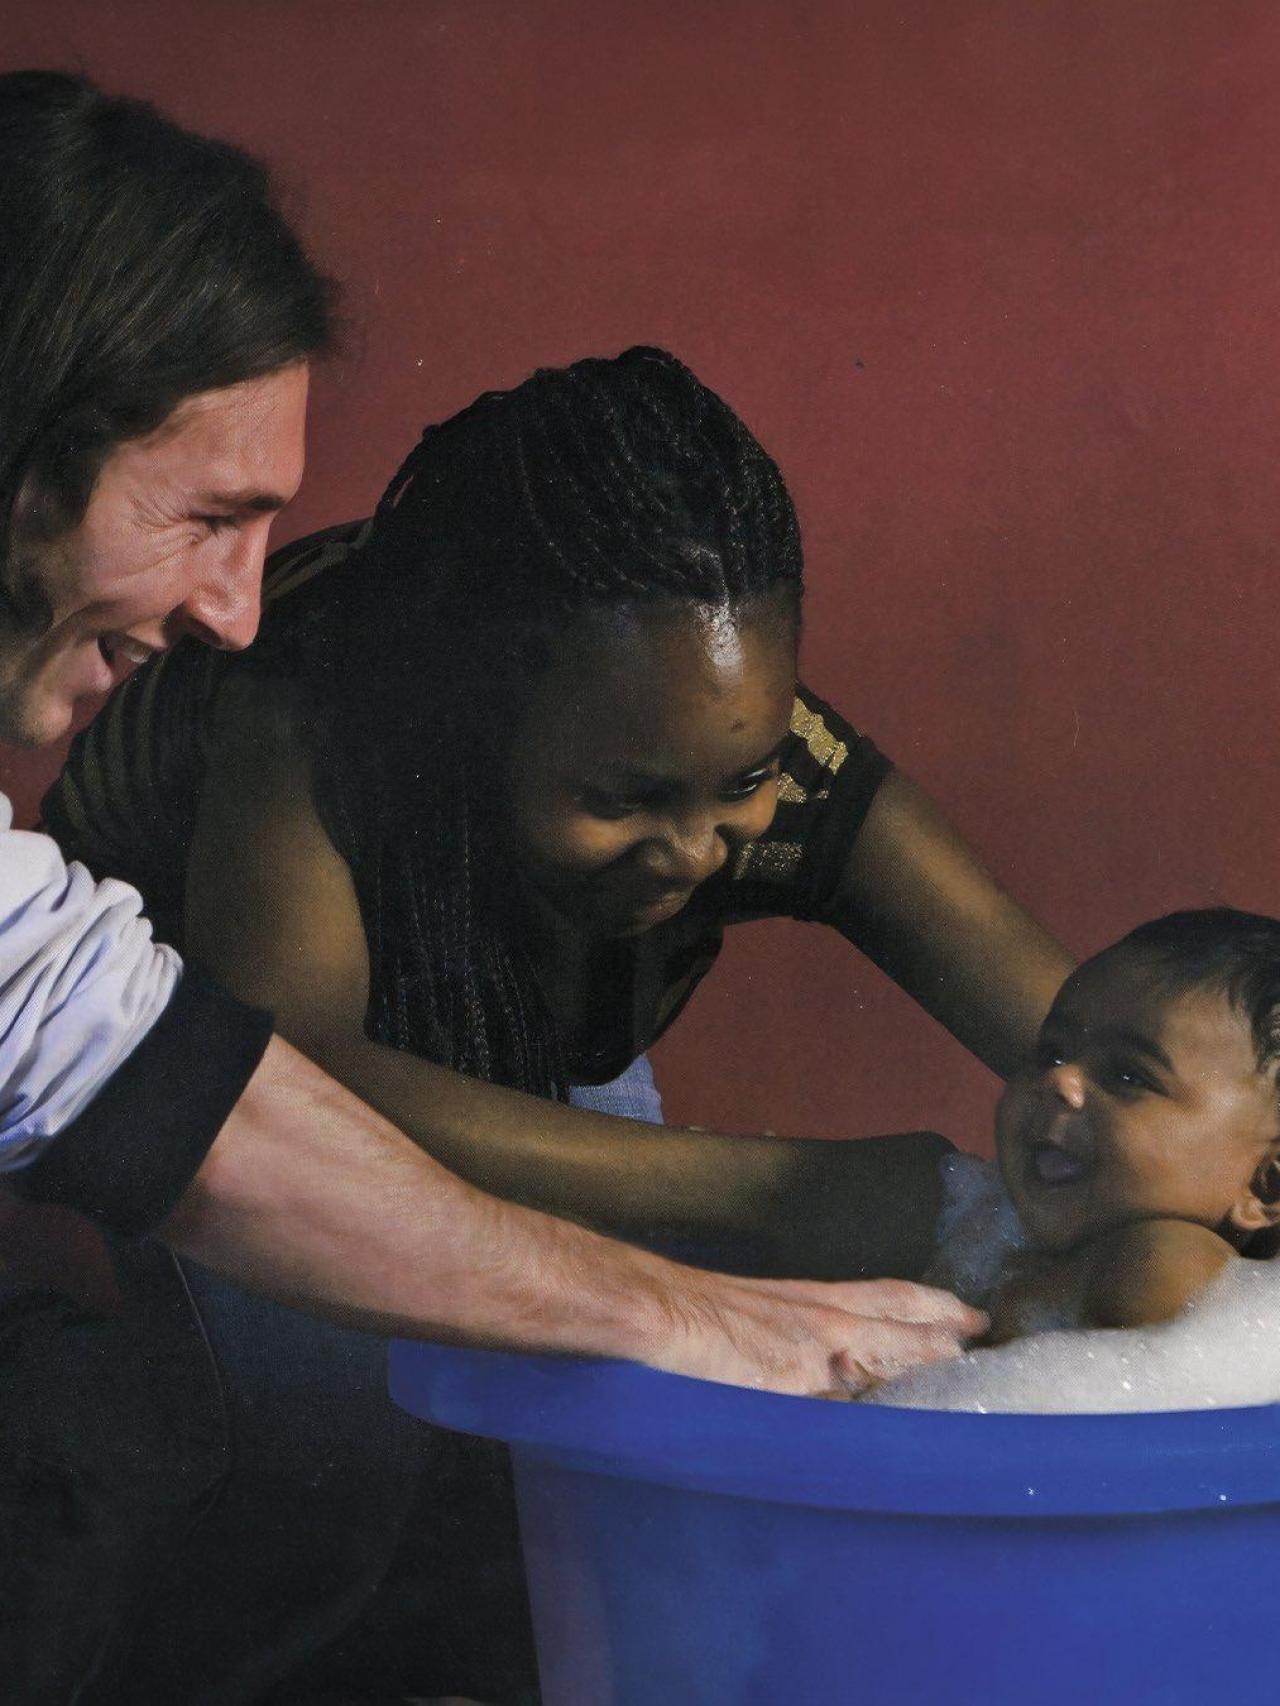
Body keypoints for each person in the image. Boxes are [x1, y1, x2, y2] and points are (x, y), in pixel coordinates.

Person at [0, 73, 986, 1705]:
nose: (236, 607)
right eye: (207, 518)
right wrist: (729, 1262)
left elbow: (120, 1057)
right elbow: (234, 1092)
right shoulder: (301, 709)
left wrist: (682, 1310)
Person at [980, 908, 1280, 1342]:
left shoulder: (1169, 1261)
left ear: (1264, 1187)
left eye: (1128, 1076)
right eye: (1052, 1053)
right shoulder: (982, 1213)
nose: (1059, 1079)